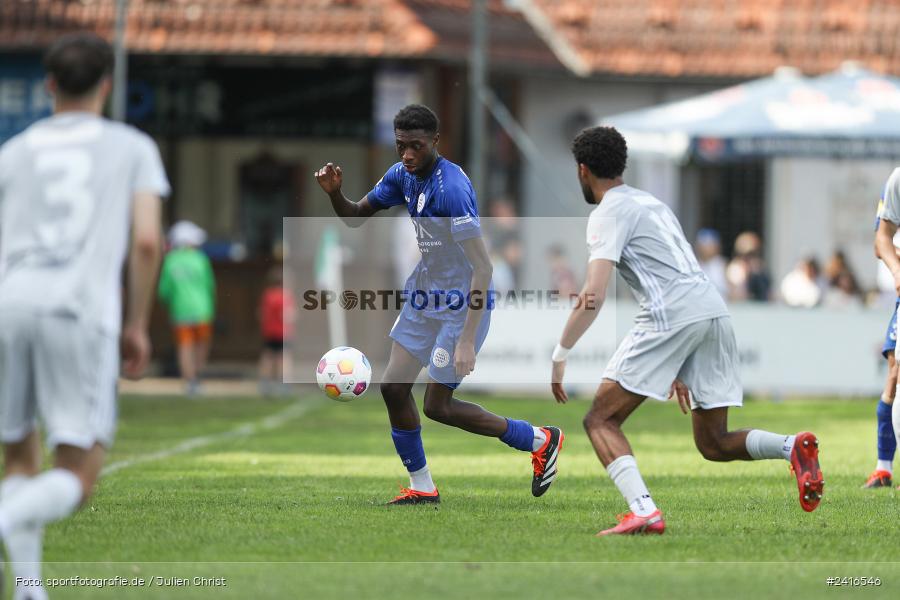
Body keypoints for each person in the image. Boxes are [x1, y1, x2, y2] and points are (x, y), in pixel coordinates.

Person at [549, 126, 822, 536]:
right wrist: (679, 357)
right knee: (713, 442)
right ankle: (792, 447)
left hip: (672, 314)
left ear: (582, 170)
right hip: (711, 310)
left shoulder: (606, 212)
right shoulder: (652, 203)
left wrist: (560, 352)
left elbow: (593, 293)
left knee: (600, 419)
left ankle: (643, 510)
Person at [314, 104, 563, 504]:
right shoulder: (402, 175)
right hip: (423, 293)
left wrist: (465, 340)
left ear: (435, 142)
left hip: (462, 302)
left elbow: (483, 268)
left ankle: (540, 439)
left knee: (438, 406)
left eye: (415, 146)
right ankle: (422, 487)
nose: (407, 155)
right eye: (401, 146)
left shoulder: (452, 190)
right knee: (394, 388)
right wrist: (335, 195)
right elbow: (357, 215)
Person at [0, 32, 167, 599]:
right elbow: (146, 242)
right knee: (78, 473)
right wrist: (137, 323)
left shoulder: (14, 151)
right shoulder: (130, 146)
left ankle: (26, 589)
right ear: (106, 84)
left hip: (11, 304)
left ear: (49, 85)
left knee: (19, 453)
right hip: (78, 309)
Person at [865, 173, 900, 489]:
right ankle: (883, 467)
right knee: (895, 373)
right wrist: (897, 268)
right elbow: (881, 239)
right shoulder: (898, 180)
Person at [158, 220, 216, 396]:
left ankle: (189, 381)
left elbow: (164, 290)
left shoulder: (171, 260)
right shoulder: (201, 259)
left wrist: (167, 302)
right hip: (203, 310)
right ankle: (197, 376)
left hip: (180, 310)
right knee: (201, 345)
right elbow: (210, 285)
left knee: (185, 346)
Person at [258, 265, 295, 397]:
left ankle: (265, 383)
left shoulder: (268, 295)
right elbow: (287, 315)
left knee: (268, 357)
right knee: (283, 358)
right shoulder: (285, 296)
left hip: (269, 331)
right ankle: (283, 383)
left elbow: (262, 314)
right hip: (282, 332)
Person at [695, 228, 727, 299]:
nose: (706, 248)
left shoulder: (723, 265)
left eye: (710, 244)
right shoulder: (693, 265)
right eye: (704, 244)